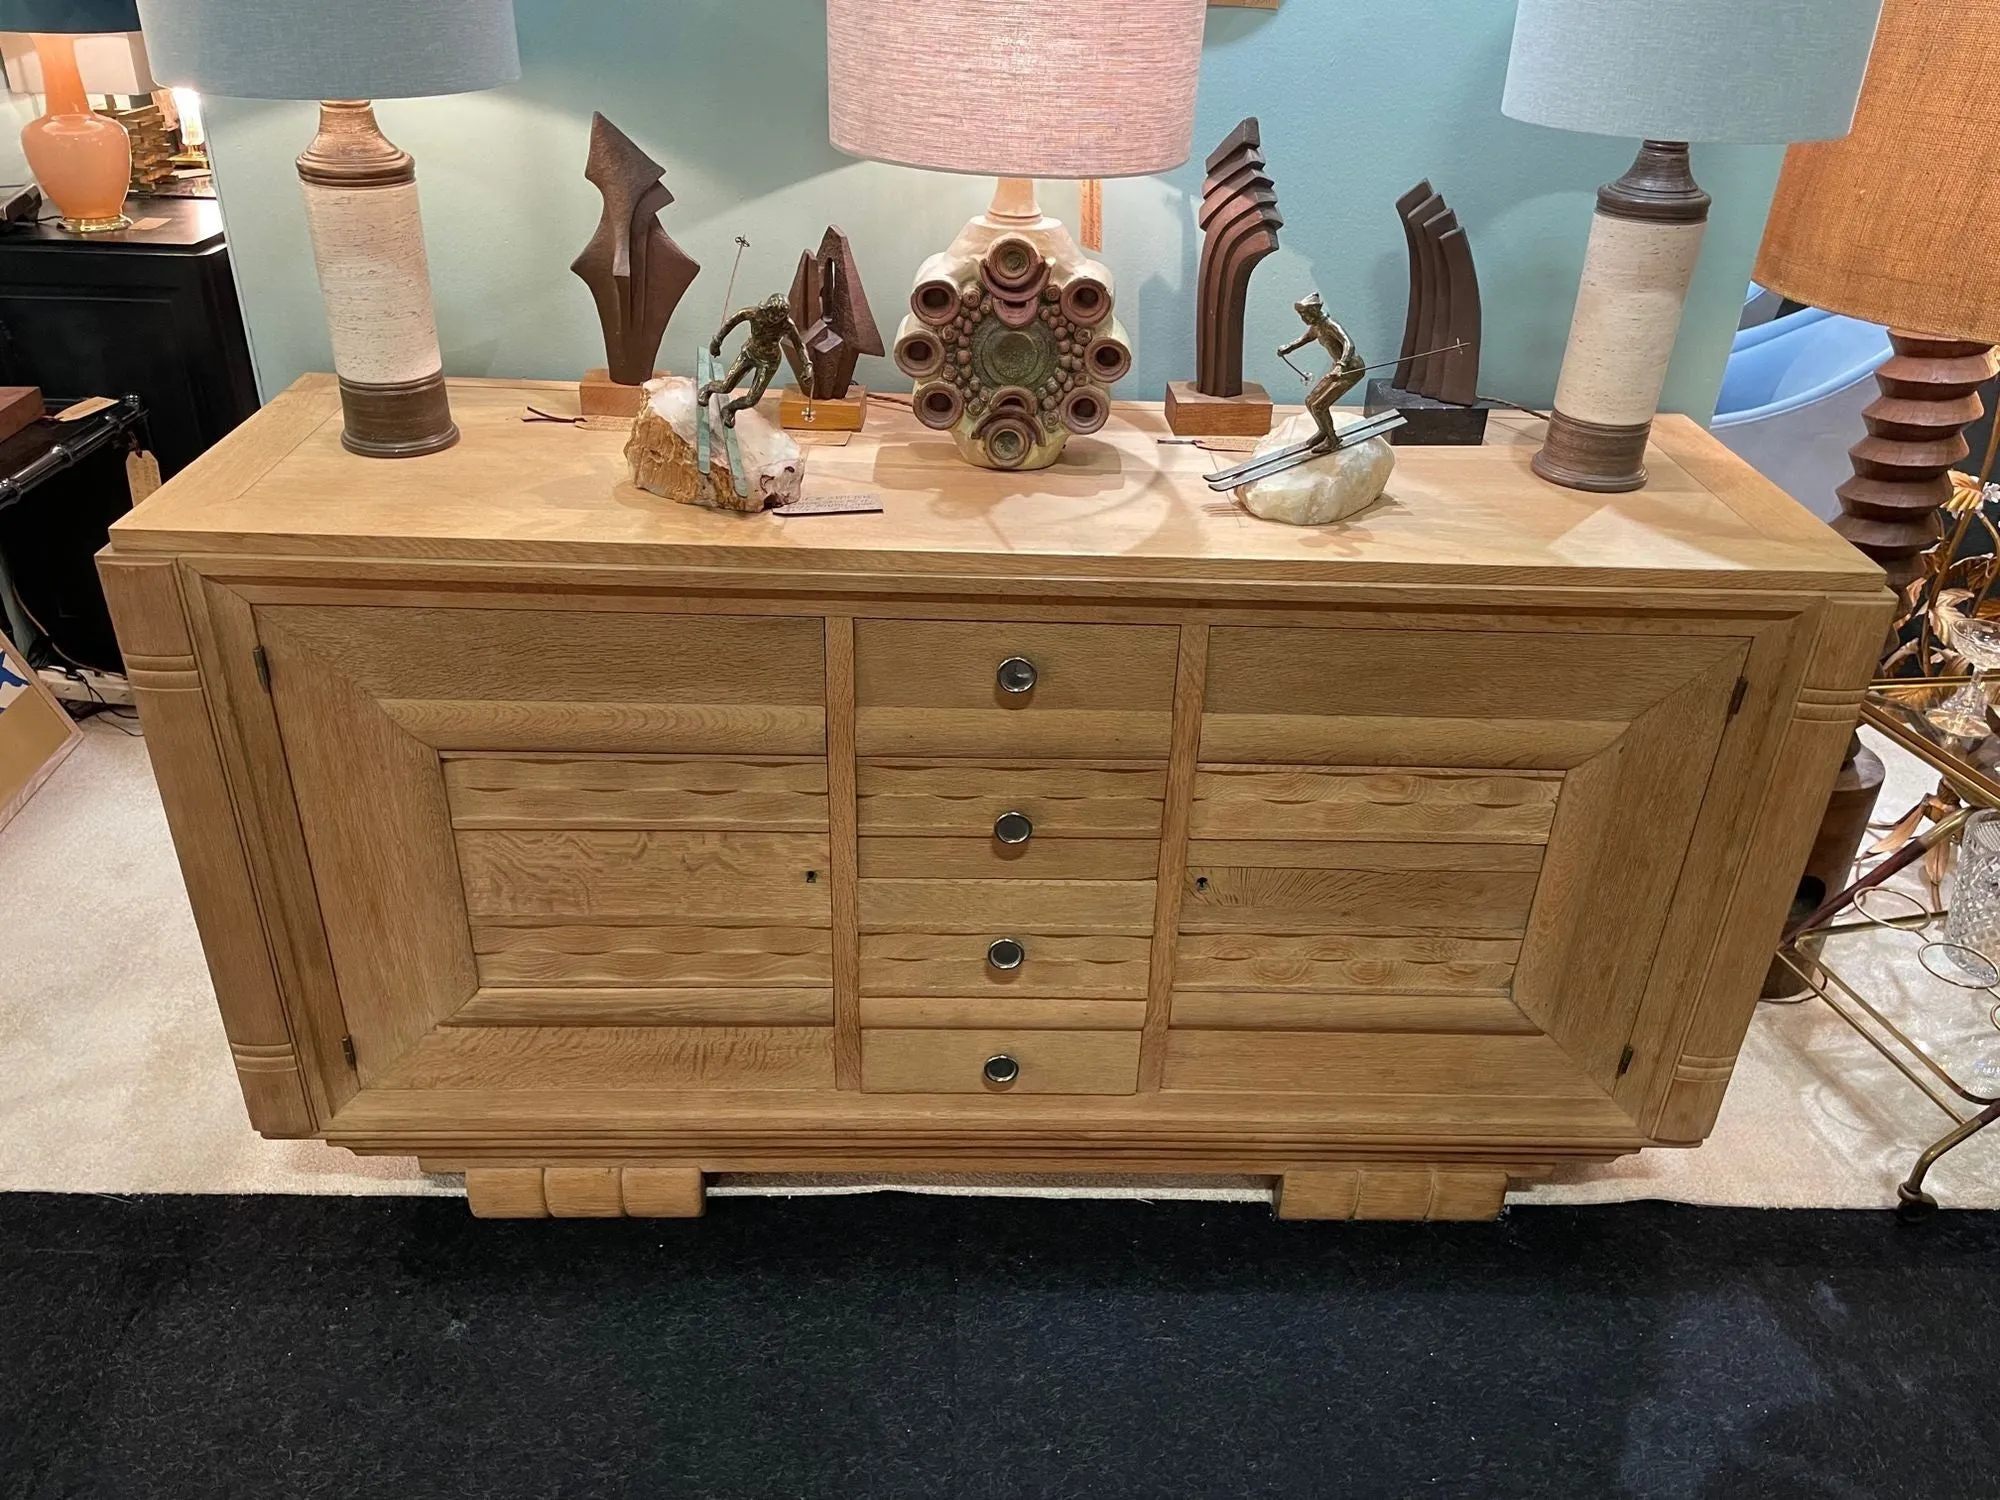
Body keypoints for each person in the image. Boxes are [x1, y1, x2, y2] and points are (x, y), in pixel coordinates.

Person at [1278, 292, 1365, 448]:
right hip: (1338, 369)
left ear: (1314, 312)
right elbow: (1305, 339)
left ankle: (1332, 440)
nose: (1303, 319)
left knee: (1319, 406)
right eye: (1301, 315)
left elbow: (1349, 344)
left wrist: (1341, 364)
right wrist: (1289, 347)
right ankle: (1323, 431)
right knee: (1310, 401)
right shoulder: (1317, 326)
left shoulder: (1330, 325)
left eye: (1304, 314)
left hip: (1351, 370)